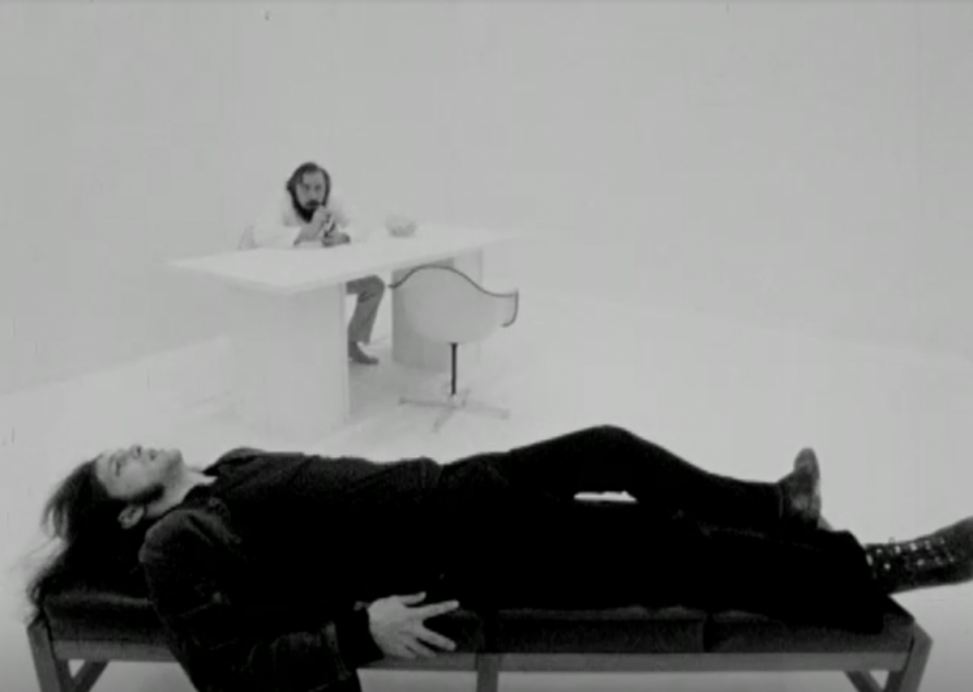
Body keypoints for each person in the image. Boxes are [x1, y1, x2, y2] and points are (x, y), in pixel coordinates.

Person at [25, 425, 973, 692]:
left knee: (609, 447)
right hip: (459, 547)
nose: (127, 446)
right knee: (663, 549)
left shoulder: (225, 465)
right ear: (129, 509)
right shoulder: (175, 541)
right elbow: (226, 669)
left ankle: (779, 508)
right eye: (114, 466)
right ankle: (879, 568)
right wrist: (358, 631)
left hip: (460, 483)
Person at [242, 161, 385, 365]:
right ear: (294, 188)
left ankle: (351, 343)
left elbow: (362, 224)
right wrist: (304, 232)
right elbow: (260, 234)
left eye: (318, 188)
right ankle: (300, 360)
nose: (313, 195)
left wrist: (343, 236)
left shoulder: (332, 198)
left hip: (327, 276)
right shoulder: (281, 200)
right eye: (305, 188)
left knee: (374, 286)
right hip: (292, 282)